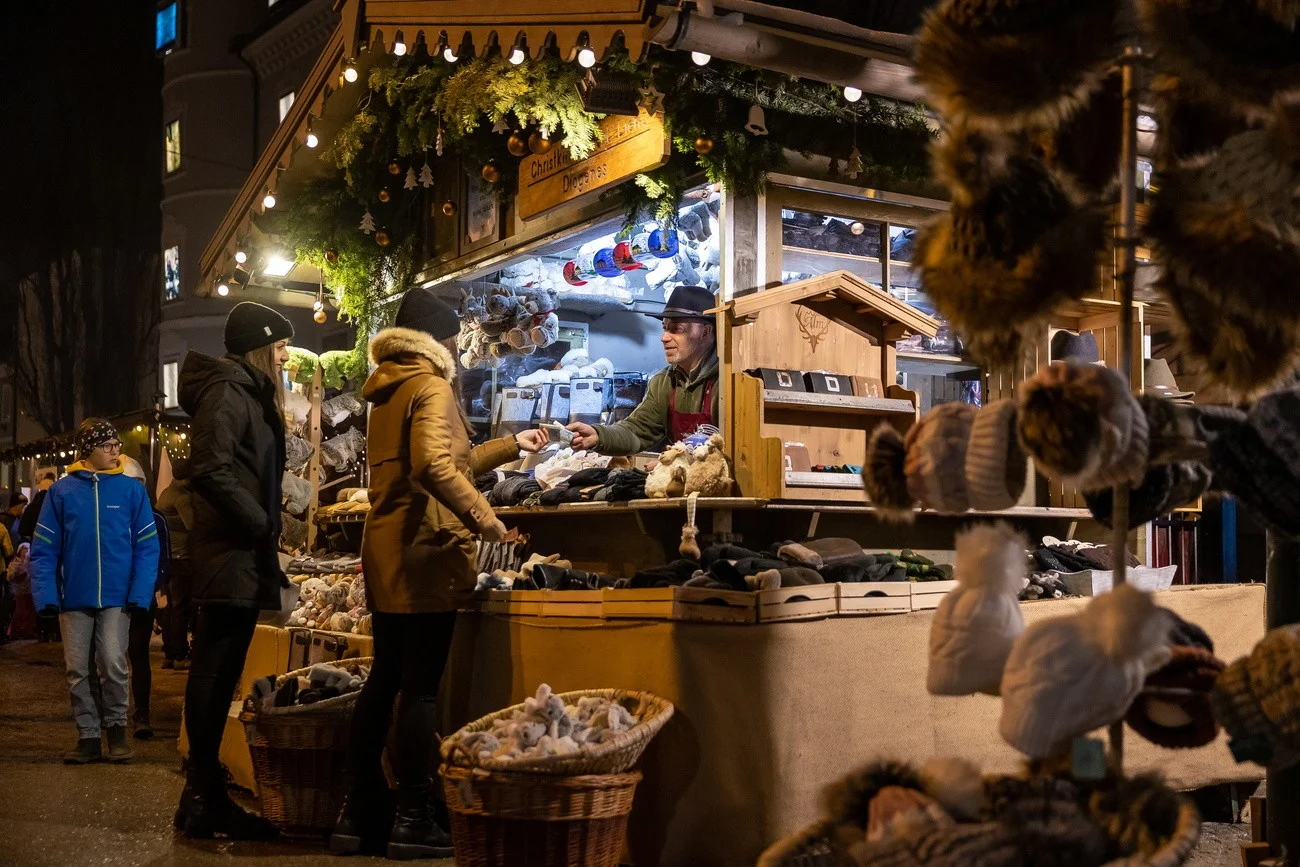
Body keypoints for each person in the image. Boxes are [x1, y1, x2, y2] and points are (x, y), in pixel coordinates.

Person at [330, 287, 547, 859]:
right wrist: (487, 520)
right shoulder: (431, 385)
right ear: (440, 340)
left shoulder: (388, 392)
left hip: (388, 549)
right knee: (420, 689)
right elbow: (432, 466)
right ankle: (413, 815)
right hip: (427, 550)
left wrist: (507, 446)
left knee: (385, 678)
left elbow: (441, 462)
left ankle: (358, 812)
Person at [175, 301, 292, 840]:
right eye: (281, 346)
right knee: (213, 673)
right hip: (230, 552)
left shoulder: (245, 391)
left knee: (220, 677)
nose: (286, 355)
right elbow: (210, 468)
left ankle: (202, 796)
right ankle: (202, 796)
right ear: (260, 347)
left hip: (240, 553)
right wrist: (259, 523)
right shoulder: (228, 391)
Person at [29, 419, 160, 765]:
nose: (116, 450)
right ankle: (88, 736)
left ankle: (116, 729)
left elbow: (148, 546)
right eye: (107, 445)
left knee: (115, 664)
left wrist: (140, 593)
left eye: (117, 444)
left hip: (118, 597)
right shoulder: (62, 491)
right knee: (77, 670)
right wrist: (45, 597)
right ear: (88, 451)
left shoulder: (132, 491)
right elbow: (44, 549)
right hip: (73, 597)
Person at [566, 284, 719, 454]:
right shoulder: (664, 382)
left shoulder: (727, 382)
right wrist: (598, 436)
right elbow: (637, 430)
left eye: (676, 329)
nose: (664, 338)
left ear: (705, 332)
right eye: (665, 328)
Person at [120, 456, 170, 740]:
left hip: (142, 596)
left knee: (138, 652)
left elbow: (164, 558)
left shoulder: (156, 517)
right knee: (110, 656)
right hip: (112, 593)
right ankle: (111, 712)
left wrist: (157, 585)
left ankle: (142, 712)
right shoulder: (109, 515)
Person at [156, 460, 195, 670]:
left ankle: (169, 653)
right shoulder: (182, 498)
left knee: (172, 607)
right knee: (182, 608)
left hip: (169, 557)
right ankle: (179, 654)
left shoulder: (165, 493)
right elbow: (194, 526)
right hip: (182, 558)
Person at [19, 474, 56, 543]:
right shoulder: (55, 506)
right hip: (52, 545)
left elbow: (23, 531)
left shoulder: (31, 507)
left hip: (34, 545)